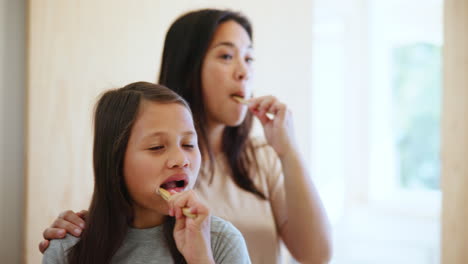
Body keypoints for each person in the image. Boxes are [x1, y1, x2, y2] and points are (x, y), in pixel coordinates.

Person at [39, 9, 332, 263]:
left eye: (250, 57)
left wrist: (287, 151)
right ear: (188, 65)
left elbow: (315, 255)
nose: (244, 71)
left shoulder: (263, 160)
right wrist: (76, 237)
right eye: (227, 55)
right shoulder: (147, 172)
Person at [41, 82, 251, 264]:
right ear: (115, 161)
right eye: (157, 147)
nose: (181, 160)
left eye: (189, 144)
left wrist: (201, 259)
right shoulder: (68, 247)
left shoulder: (221, 241)